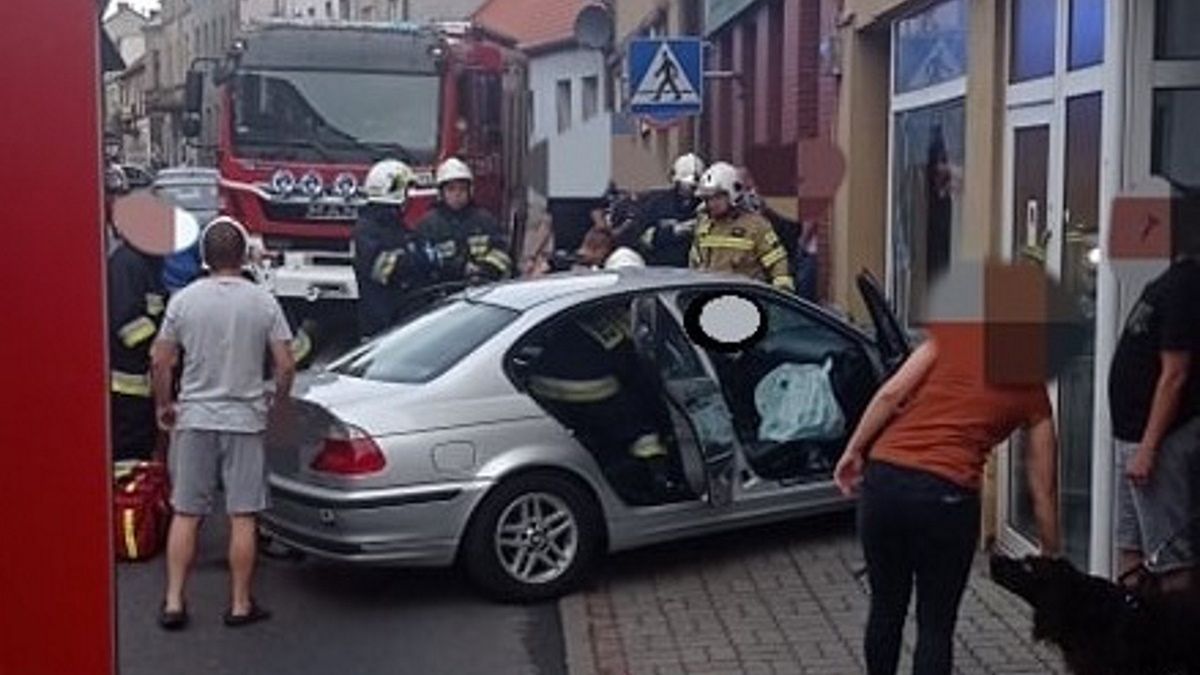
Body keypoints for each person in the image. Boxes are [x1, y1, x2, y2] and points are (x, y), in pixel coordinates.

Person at [833, 262, 1062, 675]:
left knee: (886, 607)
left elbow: (890, 395)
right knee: (936, 624)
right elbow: (1042, 485)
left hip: (885, 483)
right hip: (947, 498)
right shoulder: (1033, 391)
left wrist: (854, 451)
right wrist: (1050, 547)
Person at [150, 216, 296, 631]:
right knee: (243, 514)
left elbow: (161, 360)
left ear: (204, 258)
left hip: (195, 417)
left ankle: (175, 600)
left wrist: (166, 403)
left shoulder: (184, 301)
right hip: (245, 420)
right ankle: (239, 603)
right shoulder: (262, 301)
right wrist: (278, 405)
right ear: (244, 254)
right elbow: (286, 365)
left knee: (187, 511)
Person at [1109, 226, 1200, 592]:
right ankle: (1130, 631)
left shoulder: (1187, 288)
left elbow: (1175, 374)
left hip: (1159, 442)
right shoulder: (1170, 281)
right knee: (1130, 543)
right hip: (1132, 436)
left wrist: (1149, 447)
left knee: (1168, 555)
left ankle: (1176, 639)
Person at [526, 303, 688, 505]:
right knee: (641, 428)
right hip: (587, 387)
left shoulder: (586, 314)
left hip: (543, 386)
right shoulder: (621, 325)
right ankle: (657, 480)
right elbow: (633, 370)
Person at [108, 198, 170, 462]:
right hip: (128, 386)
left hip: (143, 383)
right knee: (130, 454)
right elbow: (127, 324)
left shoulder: (146, 263)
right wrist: (161, 342)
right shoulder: (126, 265)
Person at [351, 158, 436, 339]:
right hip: (380, 325)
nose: (407, 197)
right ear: (392, 191)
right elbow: (382, 269)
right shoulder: (367, 230)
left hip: (401, 321)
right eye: (405, 190)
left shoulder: (394, 225)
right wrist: (419, 259)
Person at [688, 162, 794, 291]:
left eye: (717, 197)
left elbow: (777, 264)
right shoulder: (704, 226)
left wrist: (782, 293)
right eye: (708, 198)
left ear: (732, 193)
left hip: (746, 301)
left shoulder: (756, 226)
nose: (712, 203)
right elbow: (694, 265)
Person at [416, 157, 512, 284]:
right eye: (451, 189)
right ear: (441, 192)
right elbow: (423, 263)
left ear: (470, 191)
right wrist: (459, 269)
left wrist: (484, 269)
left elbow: (502, 254)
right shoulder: (428, 225)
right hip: (442, 293)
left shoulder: (485, 221)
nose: (457, 194)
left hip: (483, 289)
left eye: (462, 189)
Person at [632, 153, 705, 267]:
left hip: (692, 270)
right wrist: (673, 231)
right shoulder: (657, 204)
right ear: (676, 181)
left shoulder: (704, 206)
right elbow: (641, 237)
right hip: (661, 269)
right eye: (686, 185)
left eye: (694, 186)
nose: (690, 189)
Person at [575, 225, 646, 270]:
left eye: (589, 248)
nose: (583, 253)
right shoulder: (598, 266)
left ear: (601, 250)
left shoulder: (624, 258)